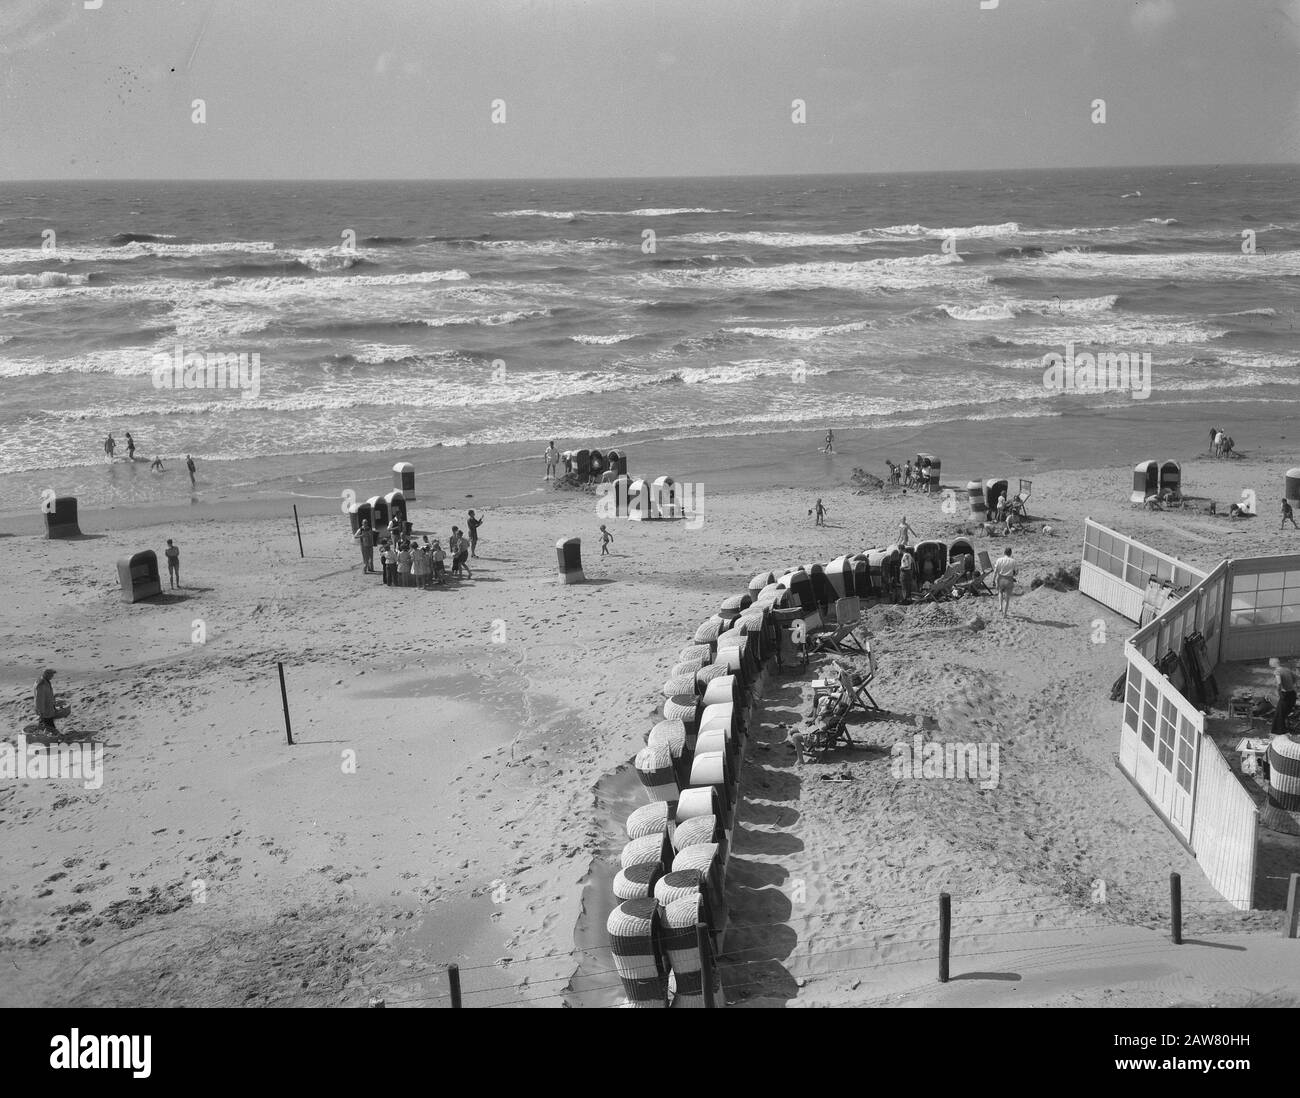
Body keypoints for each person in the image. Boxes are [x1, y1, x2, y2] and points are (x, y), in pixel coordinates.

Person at [1271, 658, 1296, 733]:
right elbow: (1295, 679)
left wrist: (1279, 692)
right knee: (1282, 713)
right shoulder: (1287, 670)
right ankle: (1282, 729)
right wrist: (1290, 686)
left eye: (1270, 662)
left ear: (1274, 663)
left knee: (1279, 715)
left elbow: (1279, 683)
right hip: (1292, 695)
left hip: (1285, 695)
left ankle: (1279, 731)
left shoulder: (1277, 671)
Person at [991, 546, 1017, 618]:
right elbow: (1016, 572)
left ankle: (1000, 606)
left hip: (1001, 578)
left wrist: (993, 580)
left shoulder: (999, 560)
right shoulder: (1013, 561)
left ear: (1004, 552)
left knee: (1000, 592)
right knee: (1007, 598)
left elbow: (995, 571)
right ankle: (1005, 614)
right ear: (1010, 553)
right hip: (1009, 579)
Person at [35, 669, 63, 734]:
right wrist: (41, 712)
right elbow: (39, 699)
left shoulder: (46, 681)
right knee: (50, 727)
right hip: (45, 711)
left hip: (48, 709)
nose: (52, 676)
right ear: (46, 674)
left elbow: (48, 695)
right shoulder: (41, 684)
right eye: (51, 674)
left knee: (45, 726)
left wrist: (54, 704)